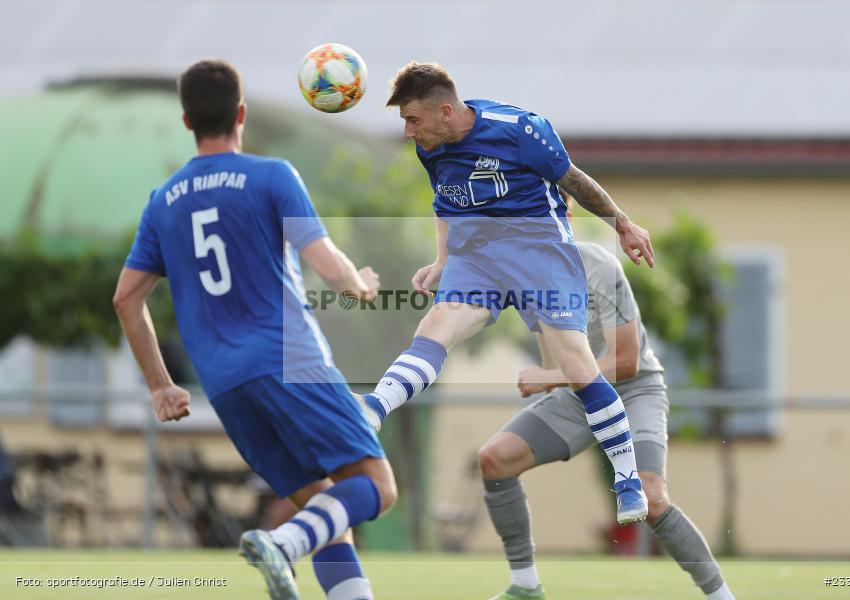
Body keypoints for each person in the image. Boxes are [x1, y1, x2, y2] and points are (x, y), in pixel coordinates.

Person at [113, 59, 395, 600]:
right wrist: (357, 284)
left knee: (324, 504)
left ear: (186, 120)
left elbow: (126, 298)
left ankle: (307, 556)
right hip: (289, 358)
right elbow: (326, 261)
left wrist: (160, 384)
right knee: (377, 488)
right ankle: (284, 544)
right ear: (240, 114)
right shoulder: (271, 176)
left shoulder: (163, 201)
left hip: (224, 383)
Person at [359, 62, 653, 524]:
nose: (408, 132)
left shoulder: (520, 129)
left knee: (576, 365)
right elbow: (446, 204)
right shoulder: (431, 145)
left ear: (445, 110)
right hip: (479, 255)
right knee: (433, 328)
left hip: (541, 250)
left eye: (413, 120)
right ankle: (372, 411)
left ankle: (628, 479)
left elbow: (574, 180)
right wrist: (442, 261)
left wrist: (623, 224)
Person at [477, 226, 736, 600]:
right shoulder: (523, 275)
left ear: (561, 213)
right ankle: (525, 586)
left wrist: (548, 376)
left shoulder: (599, 265)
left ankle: (721, 596)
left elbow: (627, 362)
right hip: (575, 394)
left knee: (650, 496)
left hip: (635, 389)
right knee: (493, 459)